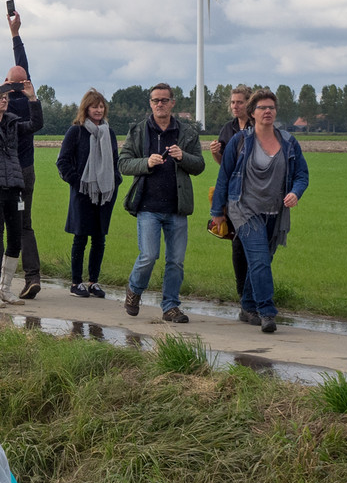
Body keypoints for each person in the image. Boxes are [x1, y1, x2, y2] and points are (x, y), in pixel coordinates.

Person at [211, 90, 309, 334]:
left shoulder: (288, 141)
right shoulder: (240, 141)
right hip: (244, 209)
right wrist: (218, 212)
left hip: (275, 213)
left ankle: (247, 305)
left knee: (263, 261)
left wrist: (296, 192)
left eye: (271, 108)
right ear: (252, 113)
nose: (268, 111)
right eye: (262, 108)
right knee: (259, 260)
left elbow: (301, 175)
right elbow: (224, 176)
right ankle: (267, 312)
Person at [120, 83, 206, 323]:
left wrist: (183, 157)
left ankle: (170, 306)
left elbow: (199, 166)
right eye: (156, 100)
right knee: (148, 256)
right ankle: (134, 291)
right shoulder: (138, 131)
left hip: (177, 208)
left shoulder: (186, 133)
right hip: (148, 207)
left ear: (173, 103)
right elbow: (123, 163)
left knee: (176, 261)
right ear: (150, 103)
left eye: (164, 100)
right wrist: (146, 163)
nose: (160, 104)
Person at [0, 80, 43, 307]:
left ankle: (5, 289)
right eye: (0, 97)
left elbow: (36, 124)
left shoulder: (12, 123)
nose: (4, 99)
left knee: (14, 240)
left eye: (6, 97)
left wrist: (32, 98)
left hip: (14, 186)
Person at [56, 89, 120, 298]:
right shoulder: (76, 131)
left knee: (99, 239)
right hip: (83, 193)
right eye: (95, 106)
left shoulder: (109, 133)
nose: (99, 110)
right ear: (86, 108)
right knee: (80, 238)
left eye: (101, 106)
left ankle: (94, 281)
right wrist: (78, 182)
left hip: (105, 194)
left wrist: (115, 181)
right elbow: (63, 161)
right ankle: (76, 283)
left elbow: (115, 161)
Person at [2, 11, 44, 298]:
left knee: (0, 225)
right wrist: (15, 35)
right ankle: (32, 277)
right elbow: (22, 68)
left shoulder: (1, 104)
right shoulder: (29, 103)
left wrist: (15, 33)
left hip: (8, 173)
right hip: (26, 170)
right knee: (24, 224)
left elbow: (19, 70)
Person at [210, 85, 252, 304]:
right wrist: (216, 154)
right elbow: (224, 167)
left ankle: (253, 295)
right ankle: (242, 294)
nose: (235, 106)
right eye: (233, 102)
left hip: (255, 194)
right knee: (237, 244)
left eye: (240, 102)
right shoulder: (228, 129)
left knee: (255, 247)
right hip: (234, 196)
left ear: (249, 103)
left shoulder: (259, 126)